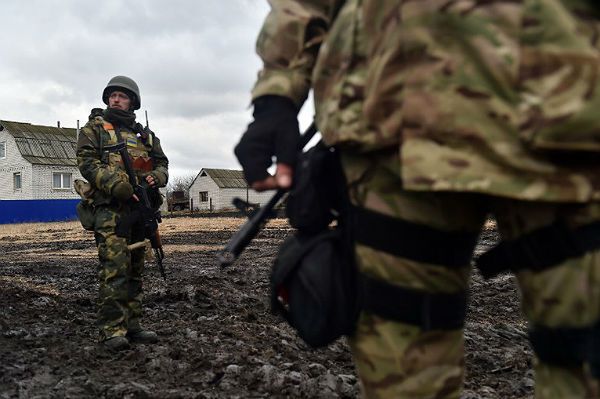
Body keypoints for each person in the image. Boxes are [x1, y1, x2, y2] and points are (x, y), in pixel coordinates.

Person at [235, 2, 600, 398]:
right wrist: (275, 95)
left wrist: (278, 90)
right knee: (404, 375)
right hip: (410, 121)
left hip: (555, 107)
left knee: (586, 352)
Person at [76, 76, 169, 351]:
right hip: (110, 211)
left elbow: (163, 164)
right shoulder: (95, 129)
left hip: (141, 211)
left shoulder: (145, 135)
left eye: (122, 96)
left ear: (133, 102)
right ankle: (112, 329)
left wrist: (156, 177)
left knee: (135, 270)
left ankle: (133, 324)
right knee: (115, 270)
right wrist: (115, 185)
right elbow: (87, 163)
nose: (116, 99)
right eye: (112, 95)